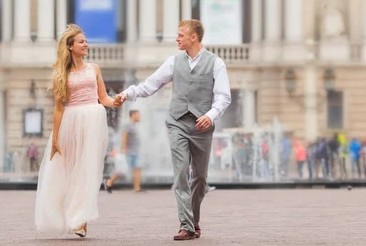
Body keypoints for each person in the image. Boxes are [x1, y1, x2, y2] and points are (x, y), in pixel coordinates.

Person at [115, 19, 231, 241]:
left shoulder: (216, 64)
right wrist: (127, 94)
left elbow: (224, 96)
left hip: (202, 127)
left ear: (193, 37)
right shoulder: (173, 62)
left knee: (200, 179)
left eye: (180, 35)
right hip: (177, 123)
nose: (176, 39)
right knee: (180, 174)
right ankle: (186, 225)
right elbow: (150, 85)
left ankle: (193, 220)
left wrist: (210, 115)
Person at [35, 24, 113, 238]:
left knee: (87, 170)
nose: (86, 44)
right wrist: (55, 139)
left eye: (85, 41)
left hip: (93, 120)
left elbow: (104, 97)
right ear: (70, 47)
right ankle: (65, 215)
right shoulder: (61, 74)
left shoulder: (94, 68)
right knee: (67, 170)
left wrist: (117, 101)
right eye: (81, 42)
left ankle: (80, 219)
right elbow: (59, 108)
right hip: (70, 122)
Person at [104, 109, 144, 193]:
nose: (139, 117)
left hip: (135, 151)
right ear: (133, 115)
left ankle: (137, 188)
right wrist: (123, 149)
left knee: (137, 168)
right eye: (138, 115)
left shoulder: (134, 125)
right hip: (128, 152)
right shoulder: (127, 125)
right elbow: (124, 137)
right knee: (121, 171)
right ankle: (109, 182)